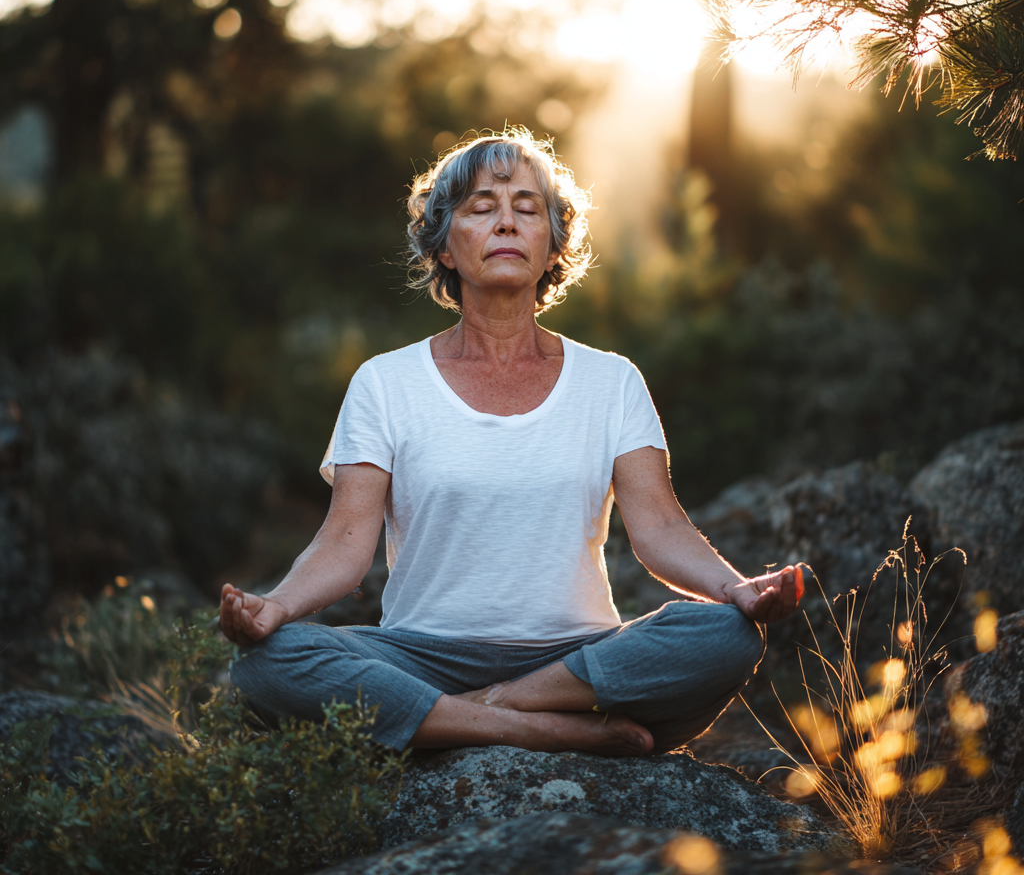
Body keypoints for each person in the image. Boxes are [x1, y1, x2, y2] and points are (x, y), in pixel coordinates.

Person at [221, 128, 804, 757]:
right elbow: (344, 542)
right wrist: (274, 608)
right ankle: (538, 731)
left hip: (578, 664)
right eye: (480, 208)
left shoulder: (613, 380)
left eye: (527, 210)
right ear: (444, 247)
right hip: (421, 655)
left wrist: (736, 590)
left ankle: (476, 715)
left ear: (553, 246)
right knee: (263, 664)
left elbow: (659, 527)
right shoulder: (384, 382)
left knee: (728, 635)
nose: (506, 223)